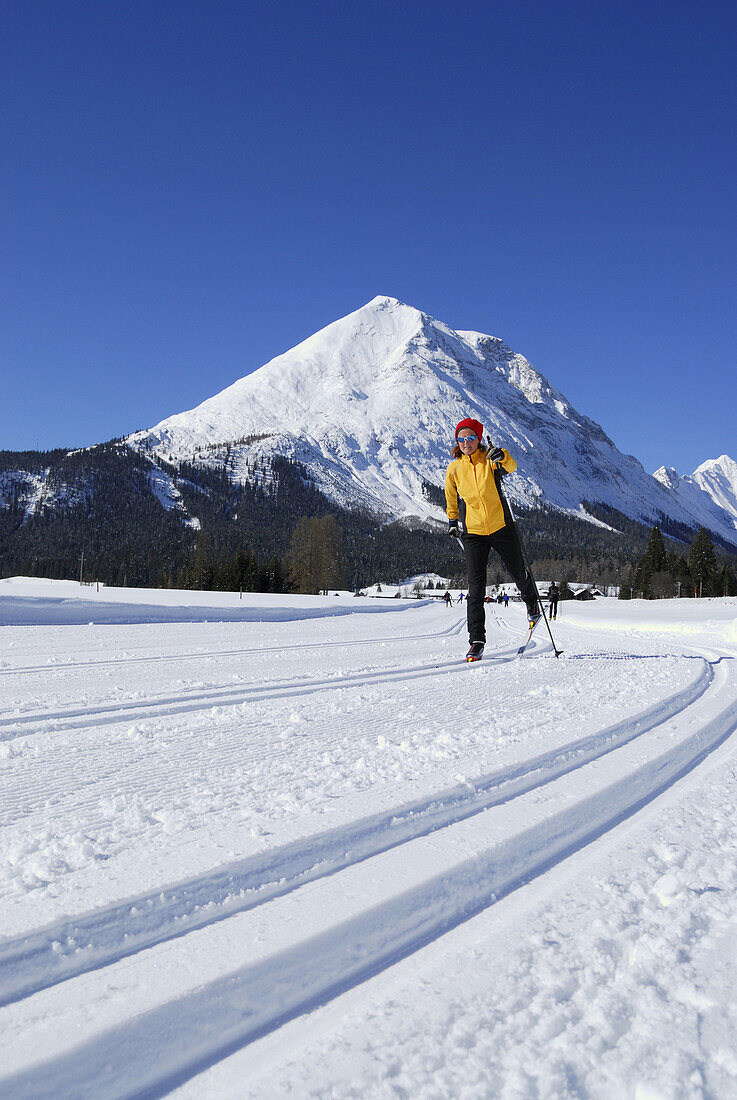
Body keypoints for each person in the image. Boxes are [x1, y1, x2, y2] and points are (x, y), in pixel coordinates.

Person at [445, 417, 540, 661]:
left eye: (471, 438)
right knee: (475, 586)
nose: (466, 443)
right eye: (462, 439)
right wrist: (453, 521)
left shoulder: (490, 461)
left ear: (479, 439)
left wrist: (503, 455)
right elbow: (451, 496)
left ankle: (531, 603)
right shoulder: (454, 468)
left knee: (518, 571)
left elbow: (511, 466)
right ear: (457, 442)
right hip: (473, 532)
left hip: (501, 526)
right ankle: (476, 640)